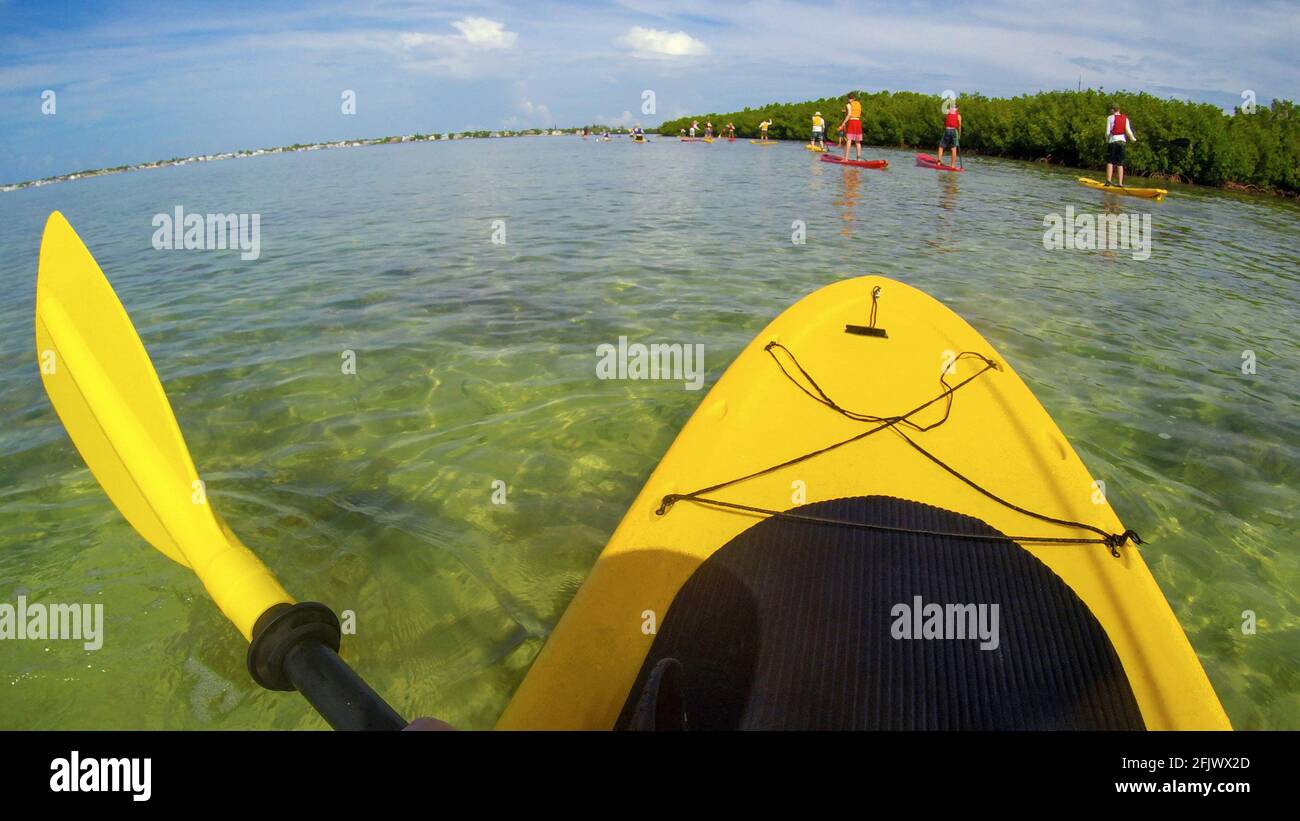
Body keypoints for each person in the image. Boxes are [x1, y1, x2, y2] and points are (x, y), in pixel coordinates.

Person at [1105, 104, 1137, 186]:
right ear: (1119, 110)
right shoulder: (1125, 118)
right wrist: (1133, 139)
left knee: (1110, 161)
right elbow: (1128, 131)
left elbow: (1108, 132)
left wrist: (1107, 140)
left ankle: (1108, 181)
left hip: (1113, 141)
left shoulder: (1110, 118)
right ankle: (1120, 183)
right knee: (1120, 163)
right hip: (1122, 142)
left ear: (1112, 110)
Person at [937, 100, 961, 167]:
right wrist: (959, 135)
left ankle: (938, 162)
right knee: (953, 148)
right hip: (954, 131)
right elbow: (959, 127)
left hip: (947, 130)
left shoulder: (947, 113)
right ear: (957, 108)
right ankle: (952, 165)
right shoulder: (959, 116)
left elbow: (945, 120)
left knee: (941, 147)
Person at [839, 93, 862, 160]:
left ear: (848, 98)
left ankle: (846, 158)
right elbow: (856, 112)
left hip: (852, 122)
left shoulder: (848, 104)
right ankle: (859, 159)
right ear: (854, 98)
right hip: (858, 122)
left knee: (849, 140)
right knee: (858, 141)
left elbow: (849, 115)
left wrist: (843, 123)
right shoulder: (858, 104)